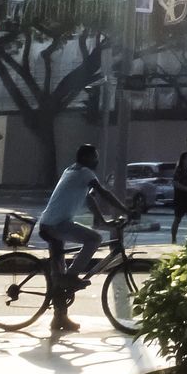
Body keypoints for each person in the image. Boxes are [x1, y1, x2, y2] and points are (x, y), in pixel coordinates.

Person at [38, 143, 132, 334]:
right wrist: (126, 210)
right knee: (94, 239)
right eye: (95, 157)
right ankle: (72, 277)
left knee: (59, 276)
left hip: (49, 224)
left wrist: (102, 220)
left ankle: (59, 319)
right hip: (56, 225)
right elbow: (103, 193)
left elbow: (89, 197)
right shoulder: (86, 173)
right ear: (88, 158)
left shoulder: (72, 170)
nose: (97, 160)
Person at [170, 143, 187, 243]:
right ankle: (173, 239)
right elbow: (175, 183)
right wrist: (186, 189)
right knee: (178, 219)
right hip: (180, 197)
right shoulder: (179, 171)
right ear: (183, 160)